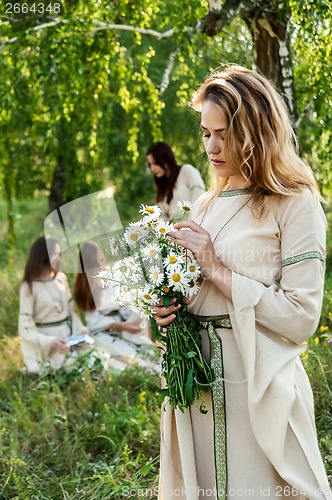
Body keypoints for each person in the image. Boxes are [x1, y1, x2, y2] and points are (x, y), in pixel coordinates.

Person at [154, 65, 332, 499]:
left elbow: (302, 317)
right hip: (197, 389)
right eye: (205, 132)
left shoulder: (295, 202)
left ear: (256, 130)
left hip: (257, 391)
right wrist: (168, 311)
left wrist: (215, 267)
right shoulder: (203, 204)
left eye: (224, 133)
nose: (211, 147)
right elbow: (196, 295)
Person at [74, 241, 160, 372]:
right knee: (123, 355)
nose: (102, 266)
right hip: (108, 330)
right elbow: (93, 321)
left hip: (129, 322)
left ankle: (149, 362)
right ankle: (141, 366)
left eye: (102, 260)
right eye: (97, 264)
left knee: (151, 352)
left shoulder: (115, 275)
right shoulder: (86, 289)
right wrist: (119, 326)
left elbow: (132, 300)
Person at [18, 236, 89, 374]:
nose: (59, 258)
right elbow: (25, 327)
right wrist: (50, 342)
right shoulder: (29, 286)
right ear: (43, 256)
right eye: (55, 254)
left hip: (69, 334)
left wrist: (80, 330)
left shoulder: (61, 278)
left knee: (96, 357)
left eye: (59, 254)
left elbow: (71, 312)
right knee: (69, 368)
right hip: (49, 338)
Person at [146, 141, 205, 221]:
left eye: (155, 163)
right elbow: (164, 216)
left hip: (192, 225)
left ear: (166, 159)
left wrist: (189, 225)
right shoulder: (163, 184)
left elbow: (200, 198)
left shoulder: (186, 171)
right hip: (172, 230)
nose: (152, 168)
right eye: (150, 165)